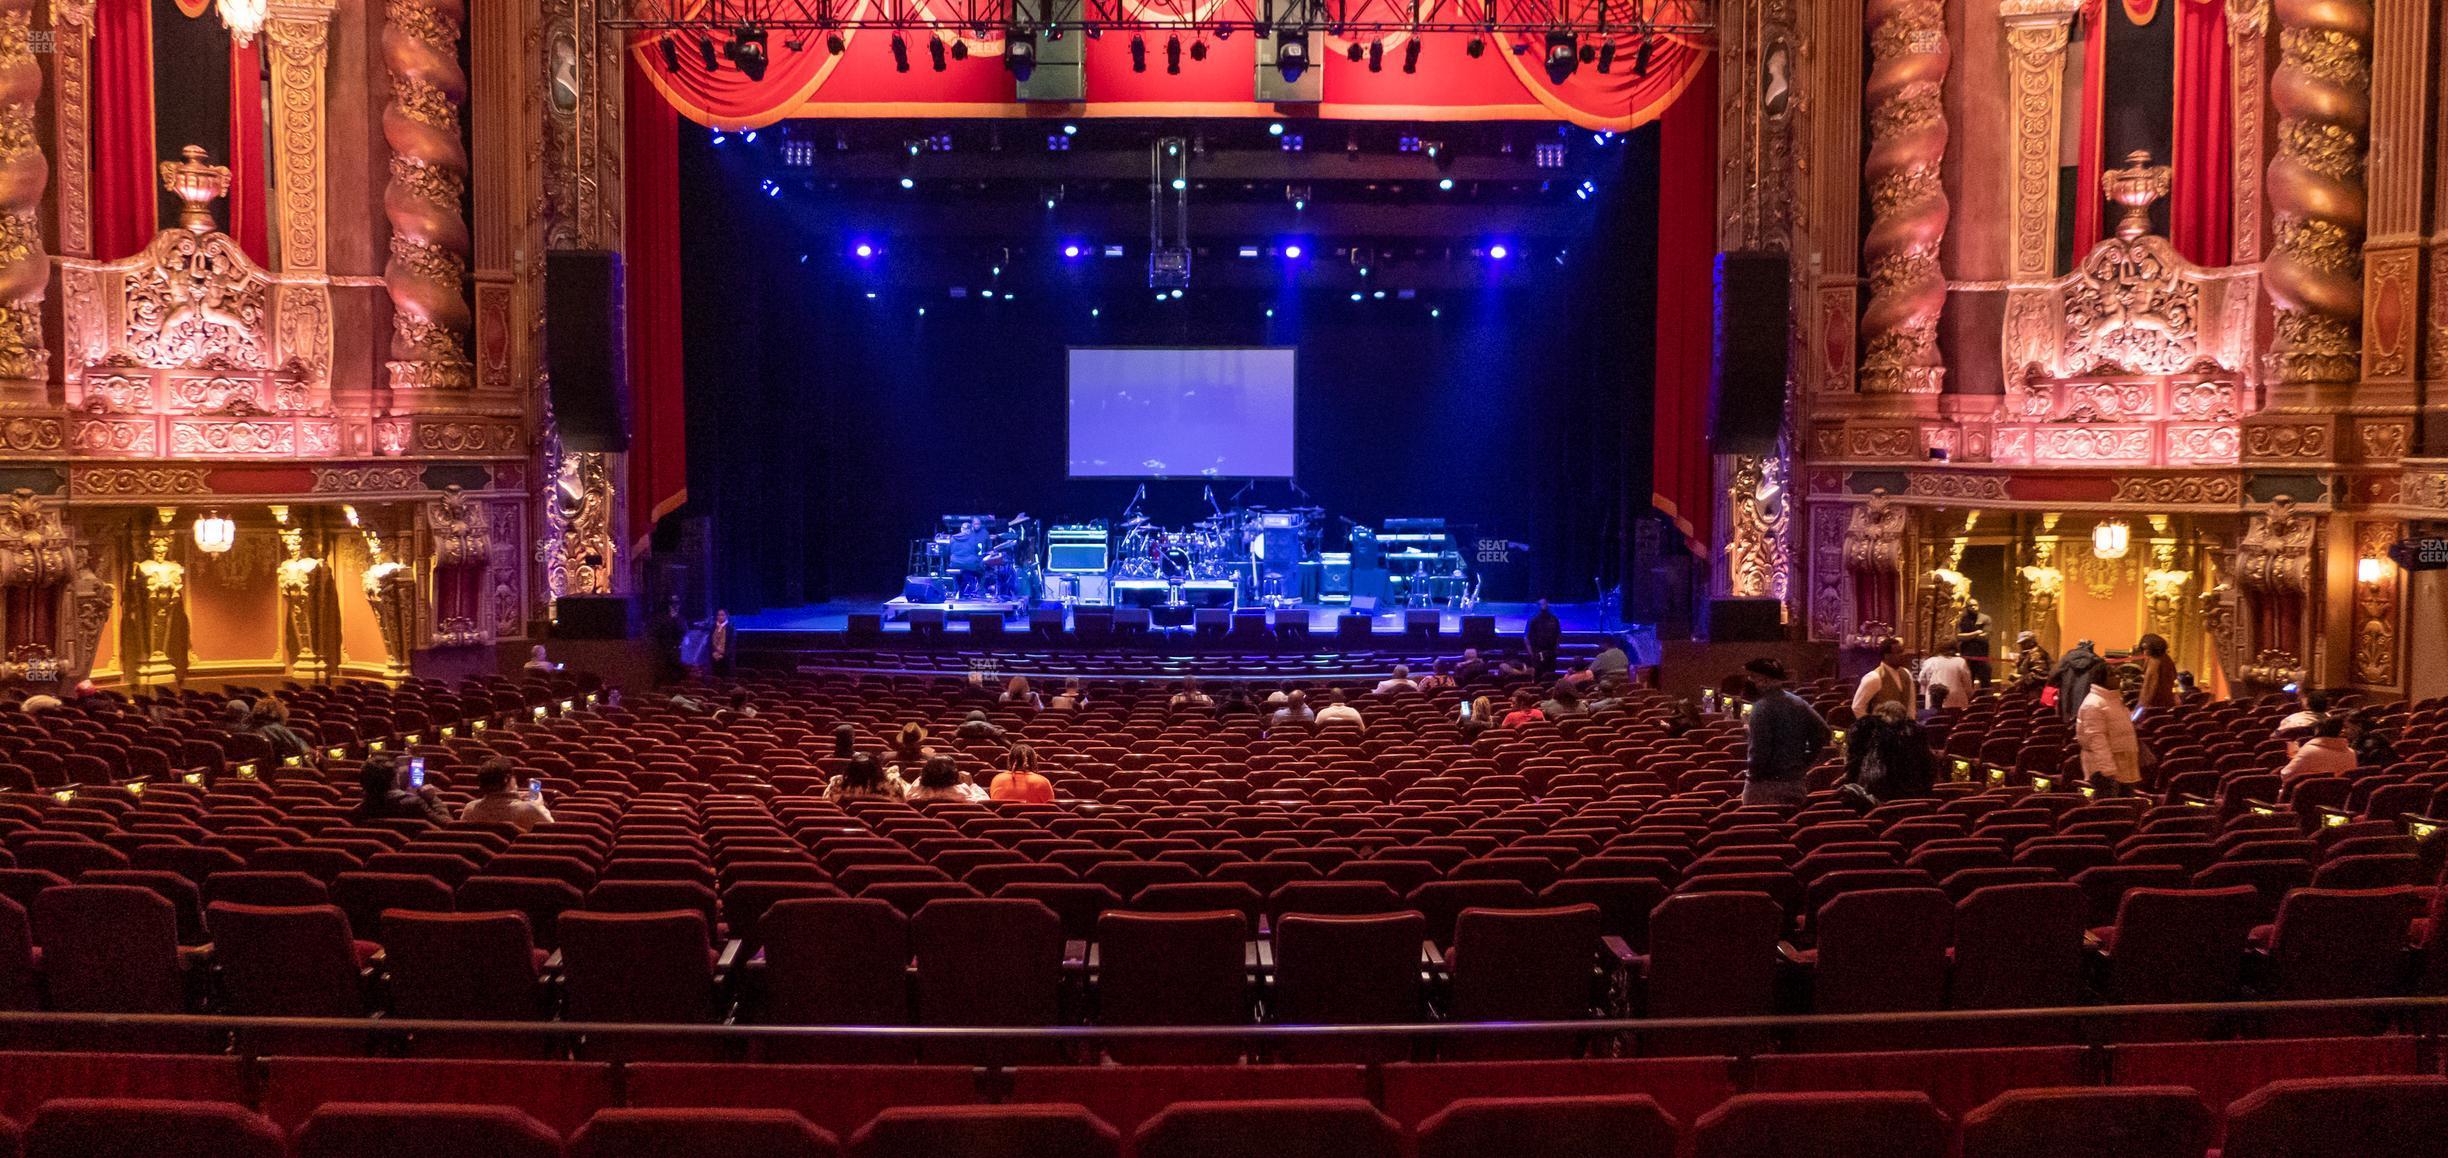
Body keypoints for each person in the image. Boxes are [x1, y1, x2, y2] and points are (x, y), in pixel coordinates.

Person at [1741, 658, 1831, 807]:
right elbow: (1824, 732)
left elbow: (1759, 751)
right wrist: (1804, 761)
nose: (1749, 680)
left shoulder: (1760, 708)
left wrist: (1753, 776)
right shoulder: (1799, 703)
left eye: (1753, 677)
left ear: (1764, 680)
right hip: (1795, 784)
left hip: (1764, 787)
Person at [1842, 701, 1938, 811]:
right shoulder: (1916, 741)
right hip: (1917, 807)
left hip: (1875, 805)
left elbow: (1852, 772)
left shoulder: (1869, 737)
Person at [2075, 664, 2142, 796]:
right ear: (2101, 679)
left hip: (2123, 767)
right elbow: (2096, 740)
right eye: (2112, 675)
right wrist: (2108, 770)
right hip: (2104, 771)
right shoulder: (2093, 704)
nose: (2118, 677)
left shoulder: (2116, 700)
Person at [458, 758, 553, 831]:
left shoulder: (470, 809)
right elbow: (550, 828)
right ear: (507, 779)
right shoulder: (528, 810)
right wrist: (539, 806)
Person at [352, 757, 449, 823]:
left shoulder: (360, 809)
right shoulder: (414, 804)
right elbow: (446, 824)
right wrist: (432, 798)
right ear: (394, 780)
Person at [1851, 638, 1916, 719]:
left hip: (1903, 727)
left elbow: (1911, 704)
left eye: (1902, 651)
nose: (1902, 655)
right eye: (1898, 652)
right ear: (1886, 655)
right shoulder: (1874, 677)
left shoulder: (1906, 673)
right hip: (1882, 729)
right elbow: (1857, 707)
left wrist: (1910, 724)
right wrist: (1872, 726)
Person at [2279, 715, 2358, 781]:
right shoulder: (2351, 753)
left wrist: (2296, 757)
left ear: (2318, 731)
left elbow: (2285, 775)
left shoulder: (2309, 751)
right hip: (2338, 797)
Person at [2047, 639, 2105, 721]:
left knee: (2067, 722)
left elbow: (2052, 675)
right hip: (2088, 698)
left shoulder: (2066, 659)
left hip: (2066, 696)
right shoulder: (2097, 662)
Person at [251, 698, 313, 766]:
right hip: (284, 768)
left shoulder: (250, 727)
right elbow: (299, 748)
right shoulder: (277, 730)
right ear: (280, 713)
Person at [989, 743, 1057, 803]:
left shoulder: (997, 779)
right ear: (1033, 761)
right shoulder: (1042, 781)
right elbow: (1050, 809)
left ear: (1010, 760)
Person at [905, 754, 986, 803]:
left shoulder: (917, 789)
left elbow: (907, 798)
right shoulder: (961, 792)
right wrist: (972, 785)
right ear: (954, 774)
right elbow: (984, 802)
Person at [826, 752, 905, 802]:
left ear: (850, 769)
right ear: (878, 770)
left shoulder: (837, 784)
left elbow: (827, 802)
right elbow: (903, 802)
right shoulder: (893, 785)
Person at [1920, 641, 1974, 711]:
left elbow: (1922, 680)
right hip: (1957, 700)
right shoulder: (1960, 662)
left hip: (1935, 699)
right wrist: (1970, 695)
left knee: (1935, 719)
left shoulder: (1931, 661)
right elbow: (1967, 683)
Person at [2133, 634, 2177, 712]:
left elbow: (2149, 689)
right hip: (2167, 705)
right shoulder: (2167, 659)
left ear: (2149, 649)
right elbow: (2175, 677)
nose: (2144, 652)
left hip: (2154, 708)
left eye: (2145, 649)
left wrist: (2138, 710)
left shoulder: (2154, 661)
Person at [1955, 600, 1994, 685]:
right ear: (1967, 607)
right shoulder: (1961, 619)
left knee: (1985, 681)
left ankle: (1985, 698)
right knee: (1967, 681)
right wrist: (1975, 633)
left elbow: (1985, 636)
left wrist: (1967, 636)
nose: (1973, 607)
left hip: (1981, 654)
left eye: (1975, 605)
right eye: (1971, 605)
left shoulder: (1985, 618)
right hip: (1966, 654)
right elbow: (1958, 636)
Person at [648, 596, 686, 686]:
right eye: (673, 604)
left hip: (676, 650)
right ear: (669, 606)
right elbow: (656, 632)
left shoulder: (681, 619)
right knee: (663, 673)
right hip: (663, 650)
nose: (675, 606)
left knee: (676, 674)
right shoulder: (662, 618)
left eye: (677, 604)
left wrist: (675, 618)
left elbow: (683, 631)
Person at [1525, 599, 1562, 677]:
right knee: (1538, 674)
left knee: (1550, 674)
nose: (1543, 606)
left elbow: (1558, 635)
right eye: (1541, 604)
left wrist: (1556, 650)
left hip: (1550, 652)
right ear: (1538, 606)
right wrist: (1532, 653)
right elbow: (1527, 637)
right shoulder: (1533, 619)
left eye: (1545, 604)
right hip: (1538, 652)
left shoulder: (1554, 619)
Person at [707, 608, 737, 679]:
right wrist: (713, 653)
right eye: (718, 615)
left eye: (722, 615)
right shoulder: (713, 627)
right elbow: (709, 642)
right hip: (714, 657)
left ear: (726, 616)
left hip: (726, 659)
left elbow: (732, 644)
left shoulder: (731, 628)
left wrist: (723, 654)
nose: (720, 617)